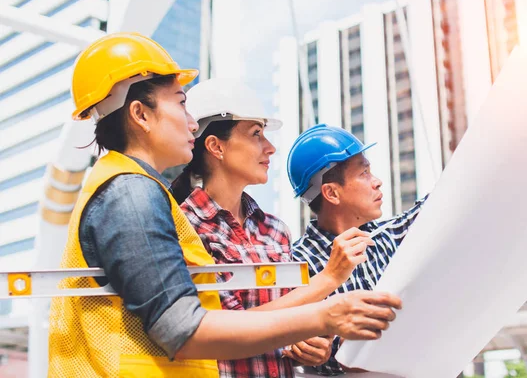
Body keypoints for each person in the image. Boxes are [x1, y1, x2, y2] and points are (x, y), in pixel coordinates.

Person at [47, 34, 402, 378]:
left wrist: (306, 333)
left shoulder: (139, 191)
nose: (190, 123)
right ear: (140, 114)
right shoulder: (130, 193)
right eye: (181, 102)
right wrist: (324, 311)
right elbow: (182, 328)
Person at [172, 78, 379, 378]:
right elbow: (227, 329)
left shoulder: (274, 231)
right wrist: (330, 278)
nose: (269, 148)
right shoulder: (187, 228)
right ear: (215, 146)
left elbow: (291, 321)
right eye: (256, 134)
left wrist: (314, 345)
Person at [288, 124, 428, 375]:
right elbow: (285, 339)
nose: (377, 182)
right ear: (331, 192)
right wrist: (309, 350)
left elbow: (444, 204)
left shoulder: (389, 237)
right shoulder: (295, 265)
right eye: (364, 173)